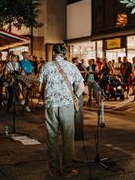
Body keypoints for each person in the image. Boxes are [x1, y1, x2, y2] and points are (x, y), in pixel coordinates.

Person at [38, 44, 85, 178]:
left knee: (52, 138)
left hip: (50, 105)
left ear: (54, 53)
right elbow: (81, 86)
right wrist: (75, 96)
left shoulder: (46, 66)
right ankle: (67, 170)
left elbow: (39, 87)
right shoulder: (72, 66)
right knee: (68, 138)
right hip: (67, 105)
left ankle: (53, 170)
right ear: (65, 54)